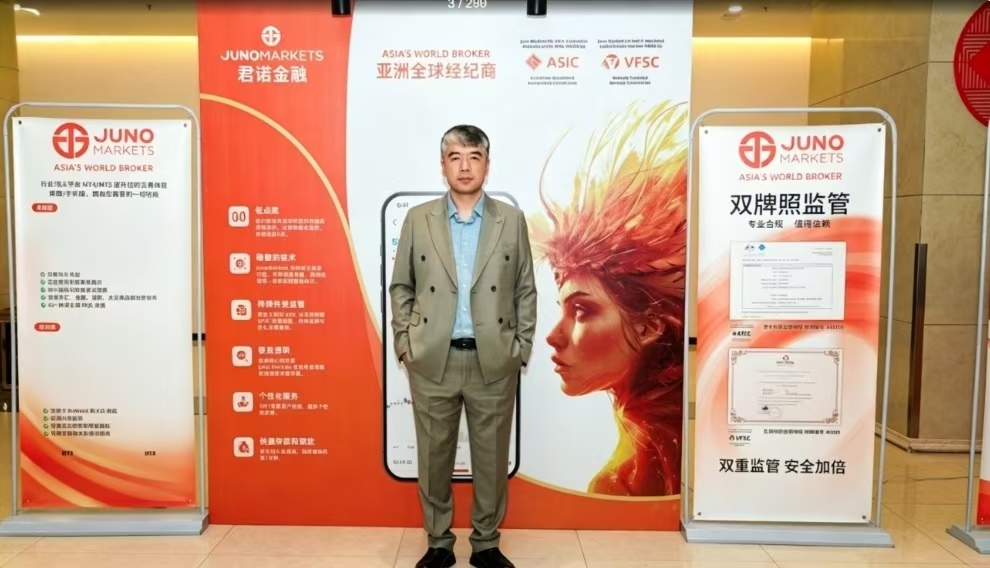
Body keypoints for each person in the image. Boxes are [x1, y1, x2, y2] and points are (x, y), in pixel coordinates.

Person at [389, 124, 537, 568]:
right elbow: (401, 286)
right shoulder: (419, 219)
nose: (465, 166)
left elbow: (525, 289)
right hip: (433, 358)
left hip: (494, 359)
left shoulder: (510, 220)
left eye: (474, 157)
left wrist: (520, 347)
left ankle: (486, 544)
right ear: (443, 165)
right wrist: (406, 343)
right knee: (433, 457)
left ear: (487, 165)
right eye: (455, 157)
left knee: (491, 459)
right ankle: (439, 542)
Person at [529, 101, 687, 497]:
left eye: (581, 310)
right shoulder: (667, 446)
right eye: (563, 309)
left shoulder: (627, 483)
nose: (553, 336)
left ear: (649, 326)